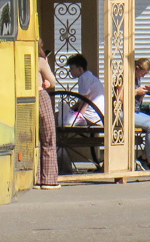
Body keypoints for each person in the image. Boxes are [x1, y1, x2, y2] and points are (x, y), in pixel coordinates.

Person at [61, 54, 104, 126]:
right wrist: (70, 109)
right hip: (98, 117)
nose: (70, 71)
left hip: (91, 117)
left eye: (71, 68)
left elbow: (85, 100)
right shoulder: (90, 77)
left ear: (80, 69)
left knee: (58, 117)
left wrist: (78, 116)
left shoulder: (83, 78)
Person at [37, 49, 59, 188]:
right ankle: (49, 178)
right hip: (40, 96)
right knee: (48, 138)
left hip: (24, 99)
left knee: (34, 139)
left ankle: (36, 177)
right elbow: (52, 81)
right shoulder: (40, 61)